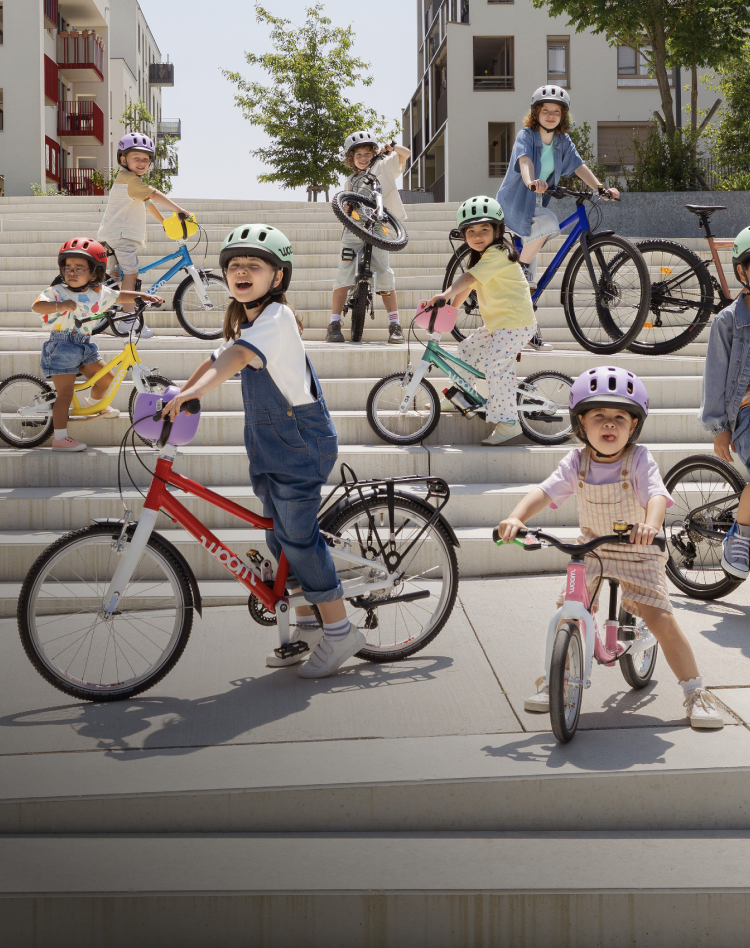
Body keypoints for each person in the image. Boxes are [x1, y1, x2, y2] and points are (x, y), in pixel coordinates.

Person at [162, 223, 366, 677]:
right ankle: (310, 624)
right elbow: (217, 357)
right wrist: (178, 389)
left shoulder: (276, 319)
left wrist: (196, 395)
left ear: (278, 277)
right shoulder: (249, 322)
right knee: (279, 537)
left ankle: (340, 631)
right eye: (234, 265)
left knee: (297, 537)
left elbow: (233, 361)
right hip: (271, 445)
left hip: (300, 441)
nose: (241, 271)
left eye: (254, 265)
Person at [498, 365, 724, 729]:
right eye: (599, 416)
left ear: (633, 426)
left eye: (620, 417)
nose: (609, 424)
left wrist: (651, 525)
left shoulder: (638, 459)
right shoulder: (576, 462)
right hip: (594, 549)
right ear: (581, 423)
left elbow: (654, 494)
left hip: (639, 550)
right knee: (568, 612)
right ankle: (555, 679)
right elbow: (545, 490)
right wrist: (516, 517)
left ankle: (695, 692)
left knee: (661, 620)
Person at [496, 85, 620, 350]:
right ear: (536, 113)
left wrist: (601, 189)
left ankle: (527, 326)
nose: (551, 115)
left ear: (562, 116)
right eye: (545, 110)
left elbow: (578, 165)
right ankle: (513, 271)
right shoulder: (526, 135)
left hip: (537, 201)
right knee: (550, 224)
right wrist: (530, 182)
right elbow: (525, 161)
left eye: (556, 112)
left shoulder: (562, 141)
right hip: (518, 200)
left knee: (532, 271)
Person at [425, 197, 535, 446]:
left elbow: (467, 279)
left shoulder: (498, 253)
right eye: (471, 231)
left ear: (497, 231)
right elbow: (470, 282)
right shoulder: (482, 257)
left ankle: (509, 422)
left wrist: (445, 295)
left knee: (496, 365)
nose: (477, 235)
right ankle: (461, 395)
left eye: (484, 229)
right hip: (500, 325)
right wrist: (451, 310)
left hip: (516, 324)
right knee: (467, 348)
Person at [32, 237, 158, 452]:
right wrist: (59, 305)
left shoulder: (98, 292)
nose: (71, 272)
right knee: (64, 394)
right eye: (67, 267)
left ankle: (92, 404)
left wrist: (142, 296)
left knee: (106, 380)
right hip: (62, 346)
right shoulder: (57, 291)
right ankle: (60, 438)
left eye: (79, 268)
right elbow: (37, 307)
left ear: (94, 272)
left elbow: (118, 295)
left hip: (84, 345)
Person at [97, 132, 195, 339]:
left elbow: (147, 203)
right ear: (123, 160)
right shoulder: (131, 181)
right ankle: (128, 321)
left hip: (111, 235)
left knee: (117, 277)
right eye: (136, 158)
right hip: (121, 237)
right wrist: (179, 210)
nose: (142, 163)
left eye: (146, 159)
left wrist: (165, 224)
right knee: (131, 275)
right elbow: (153, 194)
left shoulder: (128, 180)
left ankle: (111, 317)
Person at [326, 130, 410, 345]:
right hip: (354, 230)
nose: (364, 158)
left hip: (380, 230)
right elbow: (344, 207)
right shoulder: (349, 181)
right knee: (343, 272)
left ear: (374, 153)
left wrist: (391, 148)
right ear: (351, 159)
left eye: (367, 153)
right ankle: (334, 323)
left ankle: (395, 325)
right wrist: (345, 208)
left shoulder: (383, 166)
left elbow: (406, 154)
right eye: (358, 155)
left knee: (384, 273)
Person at [700, 225, 750, 578]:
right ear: (742, 271)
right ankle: (740, 535)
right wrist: (719, 428)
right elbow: (715, 378)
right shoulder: (729, 322)